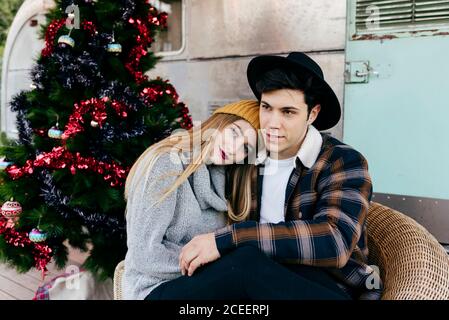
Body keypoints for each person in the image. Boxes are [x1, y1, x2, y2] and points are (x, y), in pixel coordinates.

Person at [177, 52, 383, 300]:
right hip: (258, 283)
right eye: (266, 108)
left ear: (313, 114)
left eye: (288, 112)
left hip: (328, 287)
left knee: (245, 262)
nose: (273, 123)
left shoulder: (342, 161)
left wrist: (228, 240)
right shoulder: (250, 154)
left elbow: (334, 242)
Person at [122, 100, 260, 300]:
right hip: (152, 289)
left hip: (197, 287)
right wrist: (215, 266)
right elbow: (145, 253)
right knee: (244, 266)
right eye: (234, 133)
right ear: (218, 122)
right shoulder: (167, 162)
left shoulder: (224, 184)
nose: (234, 149)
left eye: (246, 148)